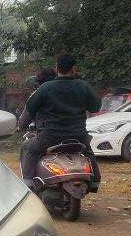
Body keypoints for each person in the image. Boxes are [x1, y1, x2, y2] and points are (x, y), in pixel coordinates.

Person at [19, 54, 101, 186]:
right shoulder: (84, 86)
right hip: (79, 136)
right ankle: (95, 181)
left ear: (57, 68)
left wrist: (21, 126)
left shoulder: (45, 88)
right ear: (74, 68)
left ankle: (28, 183)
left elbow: (29, 111)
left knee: (28, 147)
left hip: (50, 138)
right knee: (88, 151)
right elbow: (96, 107)